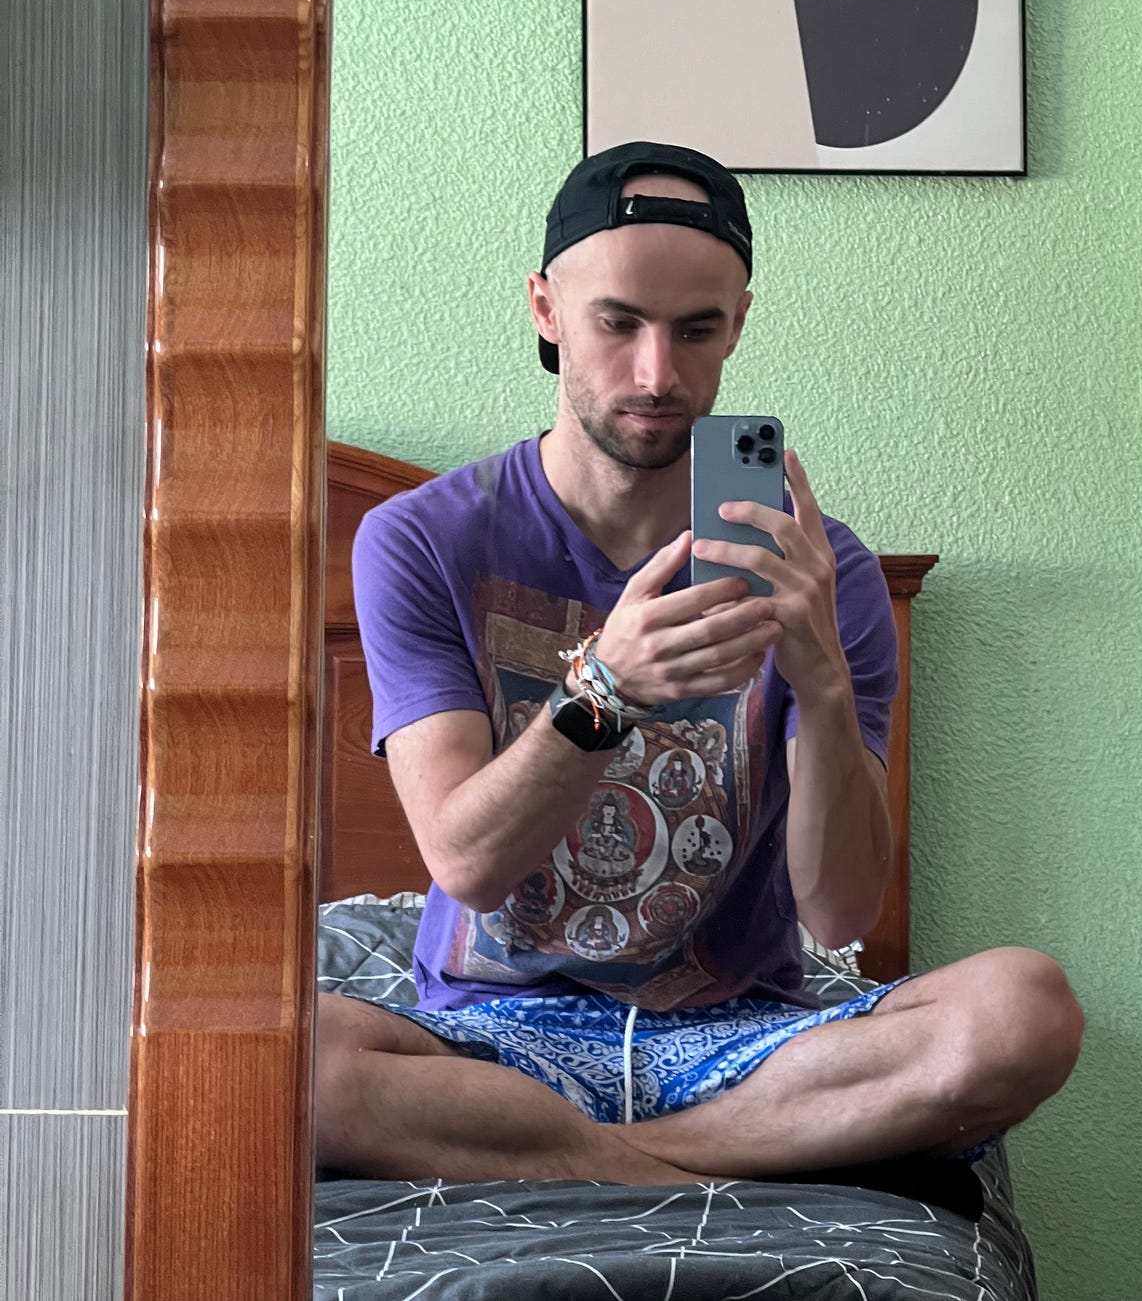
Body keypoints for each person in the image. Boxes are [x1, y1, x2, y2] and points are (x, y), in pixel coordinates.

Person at [316, 140, 1082, 1189]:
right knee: (284, 1057)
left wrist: (819, 675)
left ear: (739, 325)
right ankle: (720, 1160)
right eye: (618, 322)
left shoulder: (823, 570)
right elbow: (467, 863)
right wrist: (604, 690)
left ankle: (601, 1159)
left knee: (1024, 1010)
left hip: (739, 1041)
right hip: (494, 1038)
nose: (656, 375)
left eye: (696, 330)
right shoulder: (422, 540)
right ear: (545, 307)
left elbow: (840, 915)